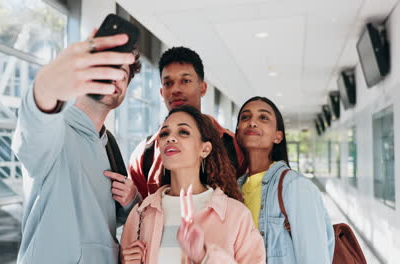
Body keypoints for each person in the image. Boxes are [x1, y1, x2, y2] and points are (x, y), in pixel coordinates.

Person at [12, 30, 142, 263]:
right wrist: (49, 85)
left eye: (122, 73)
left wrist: (132, 199)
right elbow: (34, 124)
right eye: (106, 68)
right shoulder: (55, 130)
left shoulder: (108, 143)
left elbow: (105, 219)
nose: (115, 77)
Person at [121, 105, 265, 264]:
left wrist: (204, 256)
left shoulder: (236, 215)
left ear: (205, 149)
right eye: (164, 133)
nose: (170, 138)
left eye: (183, 132)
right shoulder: (141, 213)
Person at [129, 47, 246, 199]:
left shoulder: (234, 146)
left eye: (185, 81)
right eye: (168, 83)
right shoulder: (144, 154)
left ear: (202, 88)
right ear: (161, 93)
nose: (175, 89)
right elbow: (141, 212)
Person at [235, 96, 335, 263]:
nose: (252, 122)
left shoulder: (295, 187)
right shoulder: (234, 190)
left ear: (278, 136)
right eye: (245, 117)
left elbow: (315, 258)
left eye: (263, 117)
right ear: (237, 133)